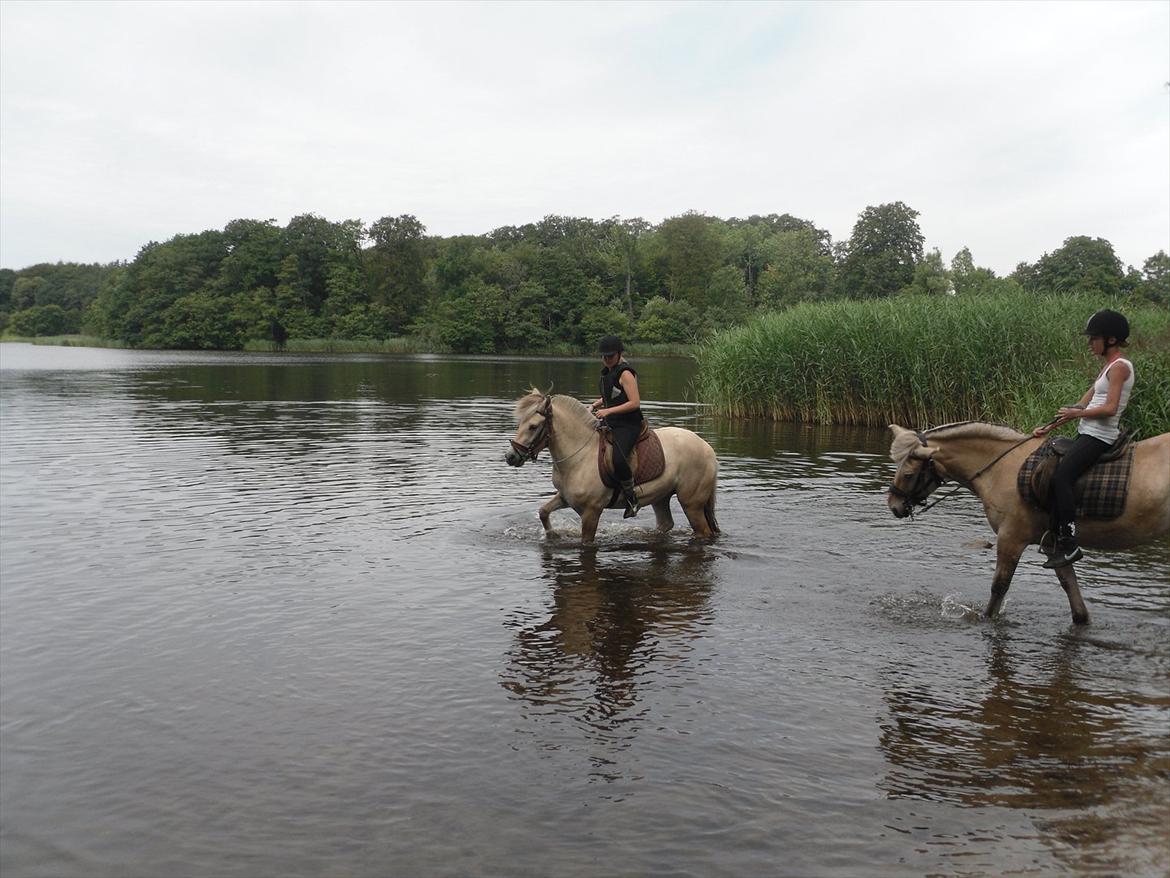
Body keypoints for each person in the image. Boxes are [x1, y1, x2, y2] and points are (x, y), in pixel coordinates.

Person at [1033, 309, 1134, 568]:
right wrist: (1048, 427)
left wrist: (1078, 412)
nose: (1090, 343)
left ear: (1110, 340)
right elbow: (1080, 405)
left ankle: (1069, 543)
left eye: (1094, 338)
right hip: (1086, 432)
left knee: (1062, 477)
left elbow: (1111, 408)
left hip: (1100, 436)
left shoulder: (1120, 367)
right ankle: (1053, 533)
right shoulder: (1107, 368)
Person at [590, 335, 645, 518]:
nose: (606, 359)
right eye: (604, 356)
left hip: (628, 424)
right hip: (613, 421)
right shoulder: (608, 372)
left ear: (619, 354)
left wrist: (607, 411)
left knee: (619, 459)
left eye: (610, 356)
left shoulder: (625, 373)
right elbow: (611, 396)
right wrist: (596, 405)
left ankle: (632, 498)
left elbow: (634, 402)